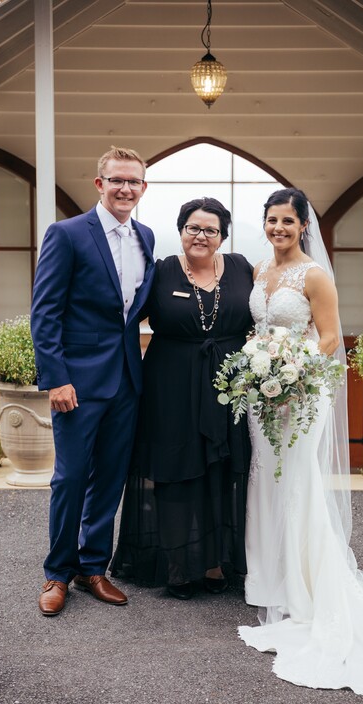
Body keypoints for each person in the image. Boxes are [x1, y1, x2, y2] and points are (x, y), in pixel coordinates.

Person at [238, 187, 363, 702]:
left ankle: (304, 587)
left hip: (301, 392)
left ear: (303, 227)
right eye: (272, 220)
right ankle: (267, 579)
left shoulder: (314, 275)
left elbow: (329, 338)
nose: (279, 229)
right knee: (265, 477)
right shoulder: (258, 271)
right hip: (262, 390)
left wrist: (292, 377)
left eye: (288, 222)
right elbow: (257, 329)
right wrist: (260, 371)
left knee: (297, 481)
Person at [31, 146, 155, 616]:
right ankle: (57, 573)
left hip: (126, 379)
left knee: (110, 480)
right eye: (118, 180)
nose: (126, 188)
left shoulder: (146, 235)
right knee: (70, 479)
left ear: (144, 188)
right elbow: (45, 313)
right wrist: (57, 379)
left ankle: (92, 567)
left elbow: (133, 310)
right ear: (100, 184)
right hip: (77, 383)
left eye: (135, 182)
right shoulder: (66, 234)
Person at [111, 197, 253, 599]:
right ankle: (179, 567)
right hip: (169, 385)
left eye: (210, 229)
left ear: (223, 235)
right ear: (181, 231)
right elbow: (119, 318)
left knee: (221, 470)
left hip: (229, 386)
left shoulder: (244, 267)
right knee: (175, 470)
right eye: (193, 227)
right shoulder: (161, 271)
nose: (201, 236)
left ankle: (216, 563)